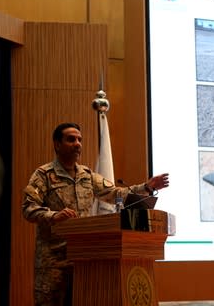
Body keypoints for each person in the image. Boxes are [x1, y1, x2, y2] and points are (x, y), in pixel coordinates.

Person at [22, 122, 169, 306]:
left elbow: (117, 194)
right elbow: (28, 208)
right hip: (53, 261)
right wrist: (53, 216)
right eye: (71, 139)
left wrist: (147, 187)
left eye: (79, 140)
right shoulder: (43, 175)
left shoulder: (88, 176)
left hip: (84, 259)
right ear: (57, 144)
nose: (77, 144)